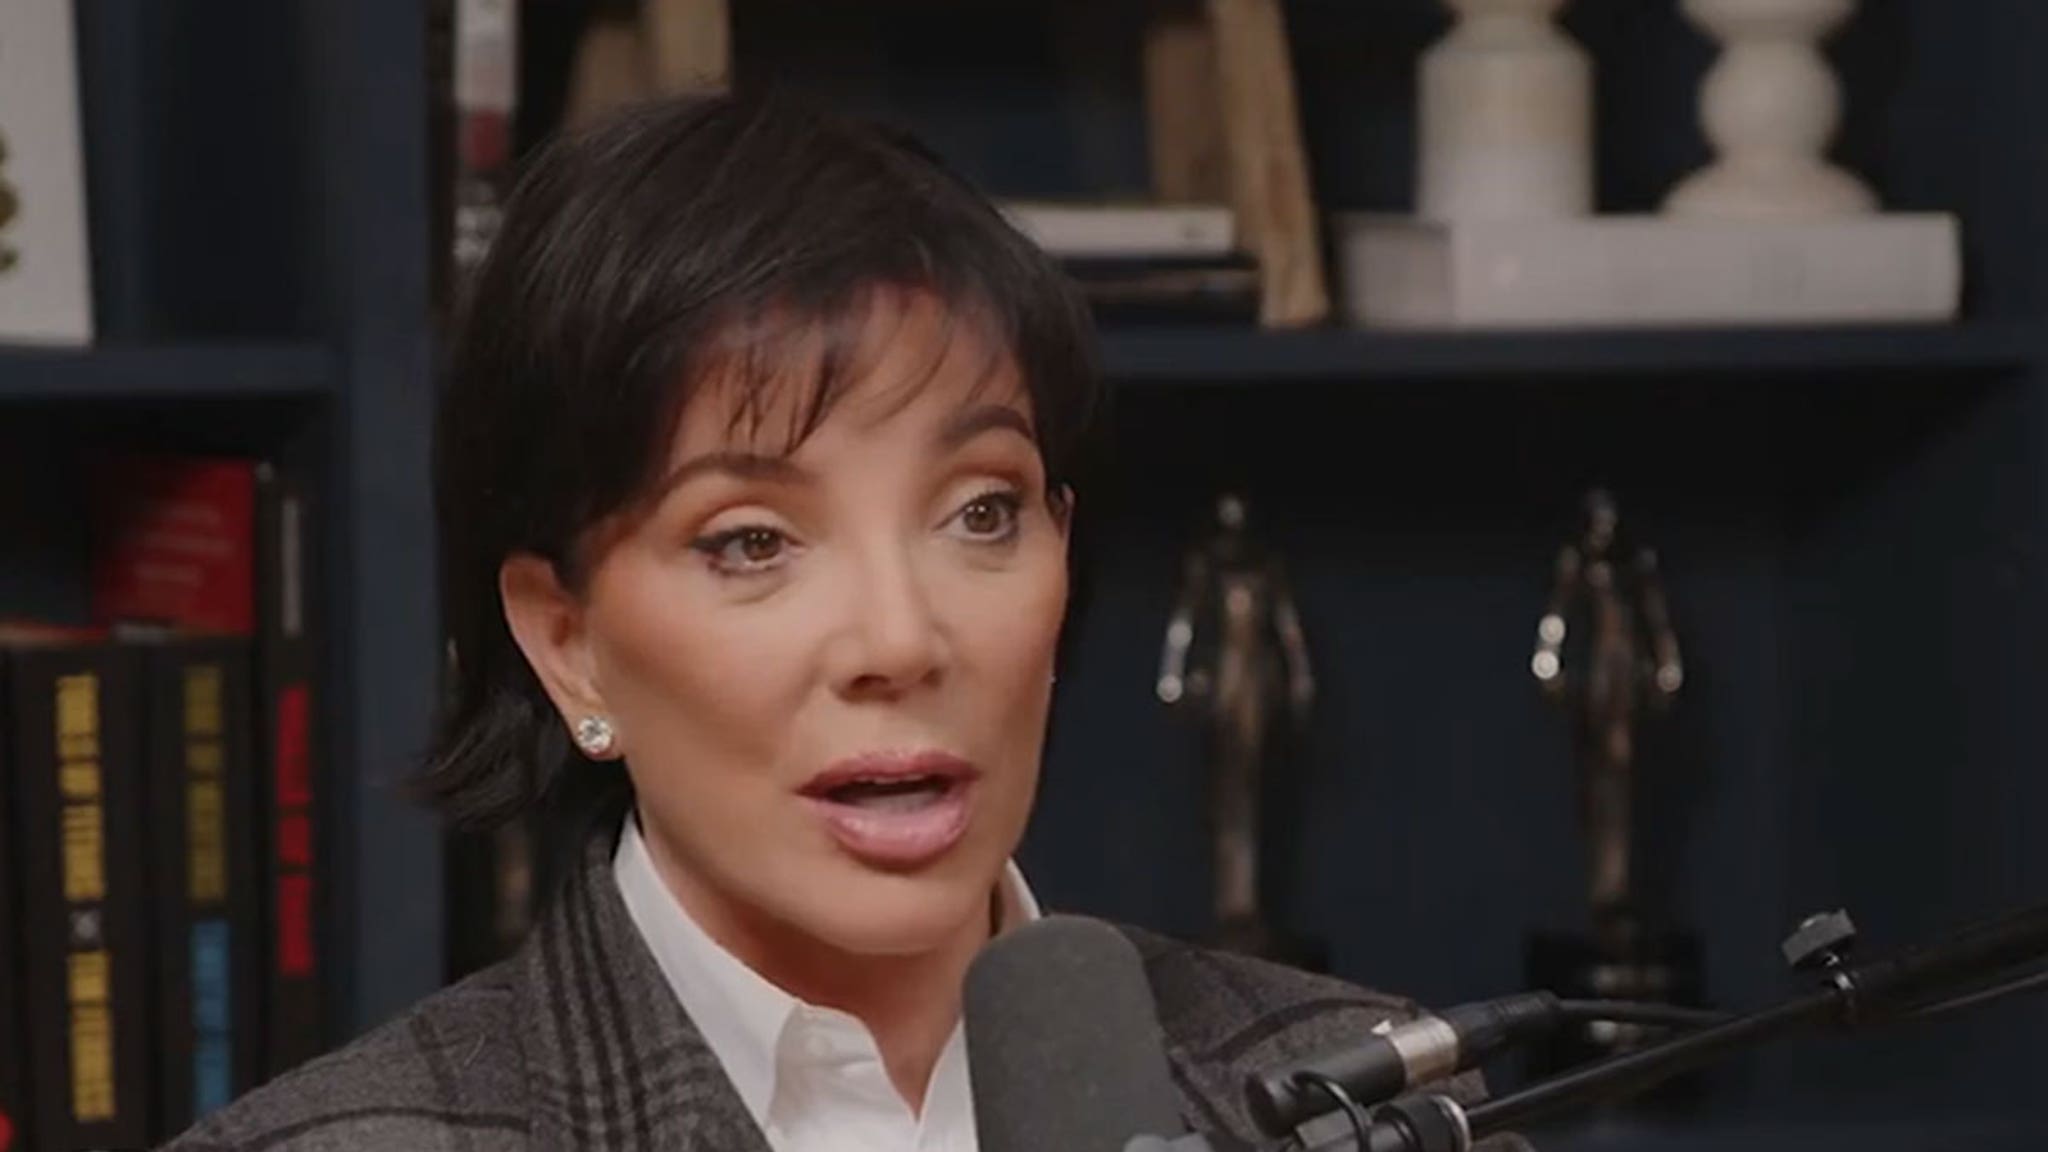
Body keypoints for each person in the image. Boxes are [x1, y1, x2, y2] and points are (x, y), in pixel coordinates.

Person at [162, 89, 1528, 1151]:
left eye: (980, 512)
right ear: (566, 641)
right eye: (752, 541)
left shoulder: (1363, 1098)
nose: (899, 640)